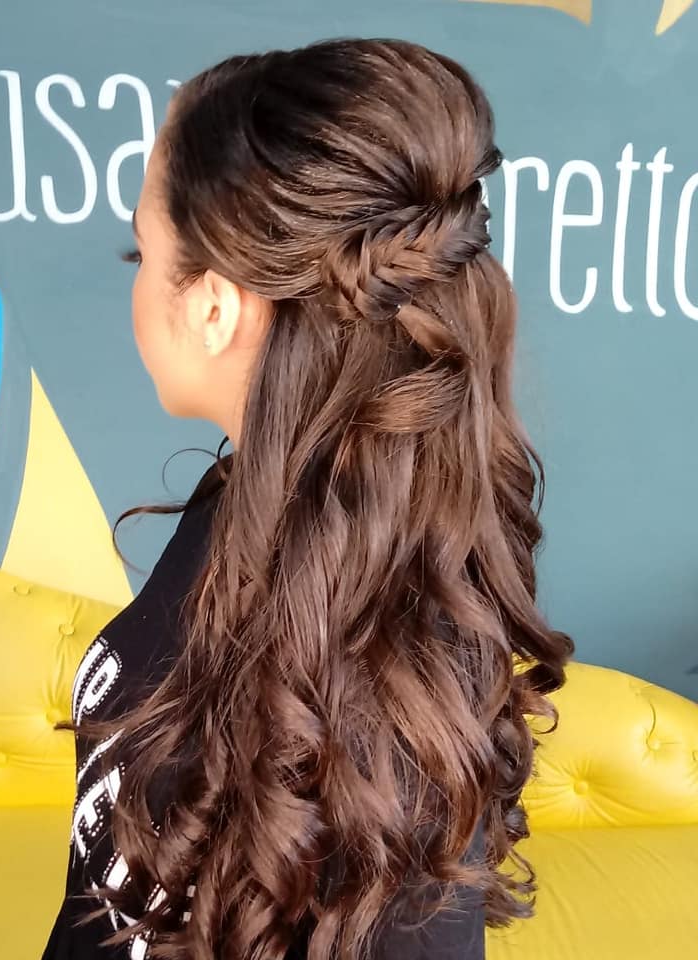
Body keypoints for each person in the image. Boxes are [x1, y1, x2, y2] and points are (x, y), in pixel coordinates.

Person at [42, 37, 574, 960]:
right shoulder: (243, 501)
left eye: (142, 250)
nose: (134, 277)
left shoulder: (392, 708)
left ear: (214, 306)